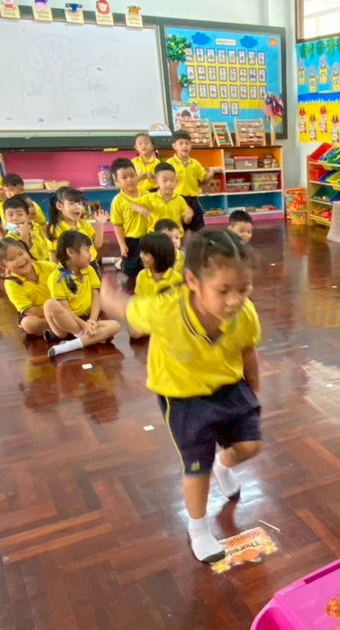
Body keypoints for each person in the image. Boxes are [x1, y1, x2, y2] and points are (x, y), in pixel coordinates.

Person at [98, 229, 261, 562]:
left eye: (244, 289)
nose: (235, 300)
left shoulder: (244, 314)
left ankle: (224, 466)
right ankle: (198, 528)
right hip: (183, 397)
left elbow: (248, 350)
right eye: (223, 290)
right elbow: (125, 308)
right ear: (192, 281)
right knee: (196, 467)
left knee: (250, 446)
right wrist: (107, 291)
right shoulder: (166, 310)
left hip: (229, 387)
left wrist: (253, 387)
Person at [44, 230, 121, 358]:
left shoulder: (89, 270)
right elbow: (65, 309)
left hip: (86, 320)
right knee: (50, 305)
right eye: (87, 250)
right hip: (68, 323)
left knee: (115, 326)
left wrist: (92, 320)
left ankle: (70, 345)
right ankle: (86, 336)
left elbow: (96, 297)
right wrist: (83, 325)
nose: (90, 254)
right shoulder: (56, 277)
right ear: (71, 252)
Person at [0, 237, 58, 340]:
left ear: (27, 251)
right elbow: (29, 310)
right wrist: (53, 315)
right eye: (12, 259)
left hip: (60, 306)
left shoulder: (48, 267)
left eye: (21, 253)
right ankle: (63, 325)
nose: (20, 260)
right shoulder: (11, 283)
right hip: (40, 314)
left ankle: (59, 328)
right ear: (3, 266)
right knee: (29, 324)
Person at [109, 157, 155, 280]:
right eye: (124, 177)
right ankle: (120, 263)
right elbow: (117, 224)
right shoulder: (118, 201)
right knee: (131, 270)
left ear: (137, 175)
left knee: (149, 266)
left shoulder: (146, 194)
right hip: (131, 239)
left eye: (132, 175)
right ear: (117, 181)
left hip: (148, 237)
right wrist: (122, 244)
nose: (129, 180)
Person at [40, 185, 103, 263]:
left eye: (80, 203)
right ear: (59, 206)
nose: (77, 207)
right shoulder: (55, 229)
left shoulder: (85, 224)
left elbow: (97, 245)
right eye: (71, 203)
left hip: (91, 264)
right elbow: (53, 257)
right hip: (69, 268)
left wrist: (100, 224)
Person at [168, 129, 211, 231]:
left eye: (187, 143)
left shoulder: (195, 163)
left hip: (193, 199)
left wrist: (211, 173)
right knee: (180, 228)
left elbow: (203, 177)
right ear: (174, 146)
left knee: (199, 226)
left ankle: (199, 241)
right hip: (177, 198)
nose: (184, 146)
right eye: (181, 143)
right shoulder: (170, 163)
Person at [145, 162, 194, 233]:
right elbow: (133, 204)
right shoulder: (149, 198)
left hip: (175, 235)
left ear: (176, 182)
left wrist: (189, 216)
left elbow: (186, 221)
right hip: (155, 235)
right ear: (156, 182)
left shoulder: (180, 199)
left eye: (172, 180)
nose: (169, 184)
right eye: (164, 181)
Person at [134, 232, 184, 298]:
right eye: (141, 251)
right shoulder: (142, 275)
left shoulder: (176, 279)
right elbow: (138, 299)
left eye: (145, 253)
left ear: (159, 256)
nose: (141, 255)